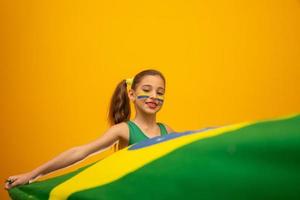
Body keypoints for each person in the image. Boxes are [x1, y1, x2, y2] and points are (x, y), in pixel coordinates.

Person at [5, 69, 175, 190]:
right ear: (131, 95)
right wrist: (32, 175)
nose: (154, 96)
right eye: (147, 90)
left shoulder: (167, 130)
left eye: (160, 92)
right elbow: (80, 152)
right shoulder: (123, 130)